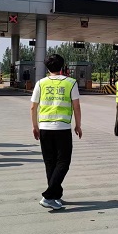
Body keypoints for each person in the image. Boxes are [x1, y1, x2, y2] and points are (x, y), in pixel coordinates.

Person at [30, 54, 82, 210]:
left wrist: (35, 126)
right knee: (63, 162)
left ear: (47, 67)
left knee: (50, 162)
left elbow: (33, 107)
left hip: (44, 128)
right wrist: (78, 125)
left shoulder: (41, 83)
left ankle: (55, 196)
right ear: (63, 66)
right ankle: (48, 196)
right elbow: (76, 106)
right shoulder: (71, 83)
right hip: (62, 128)